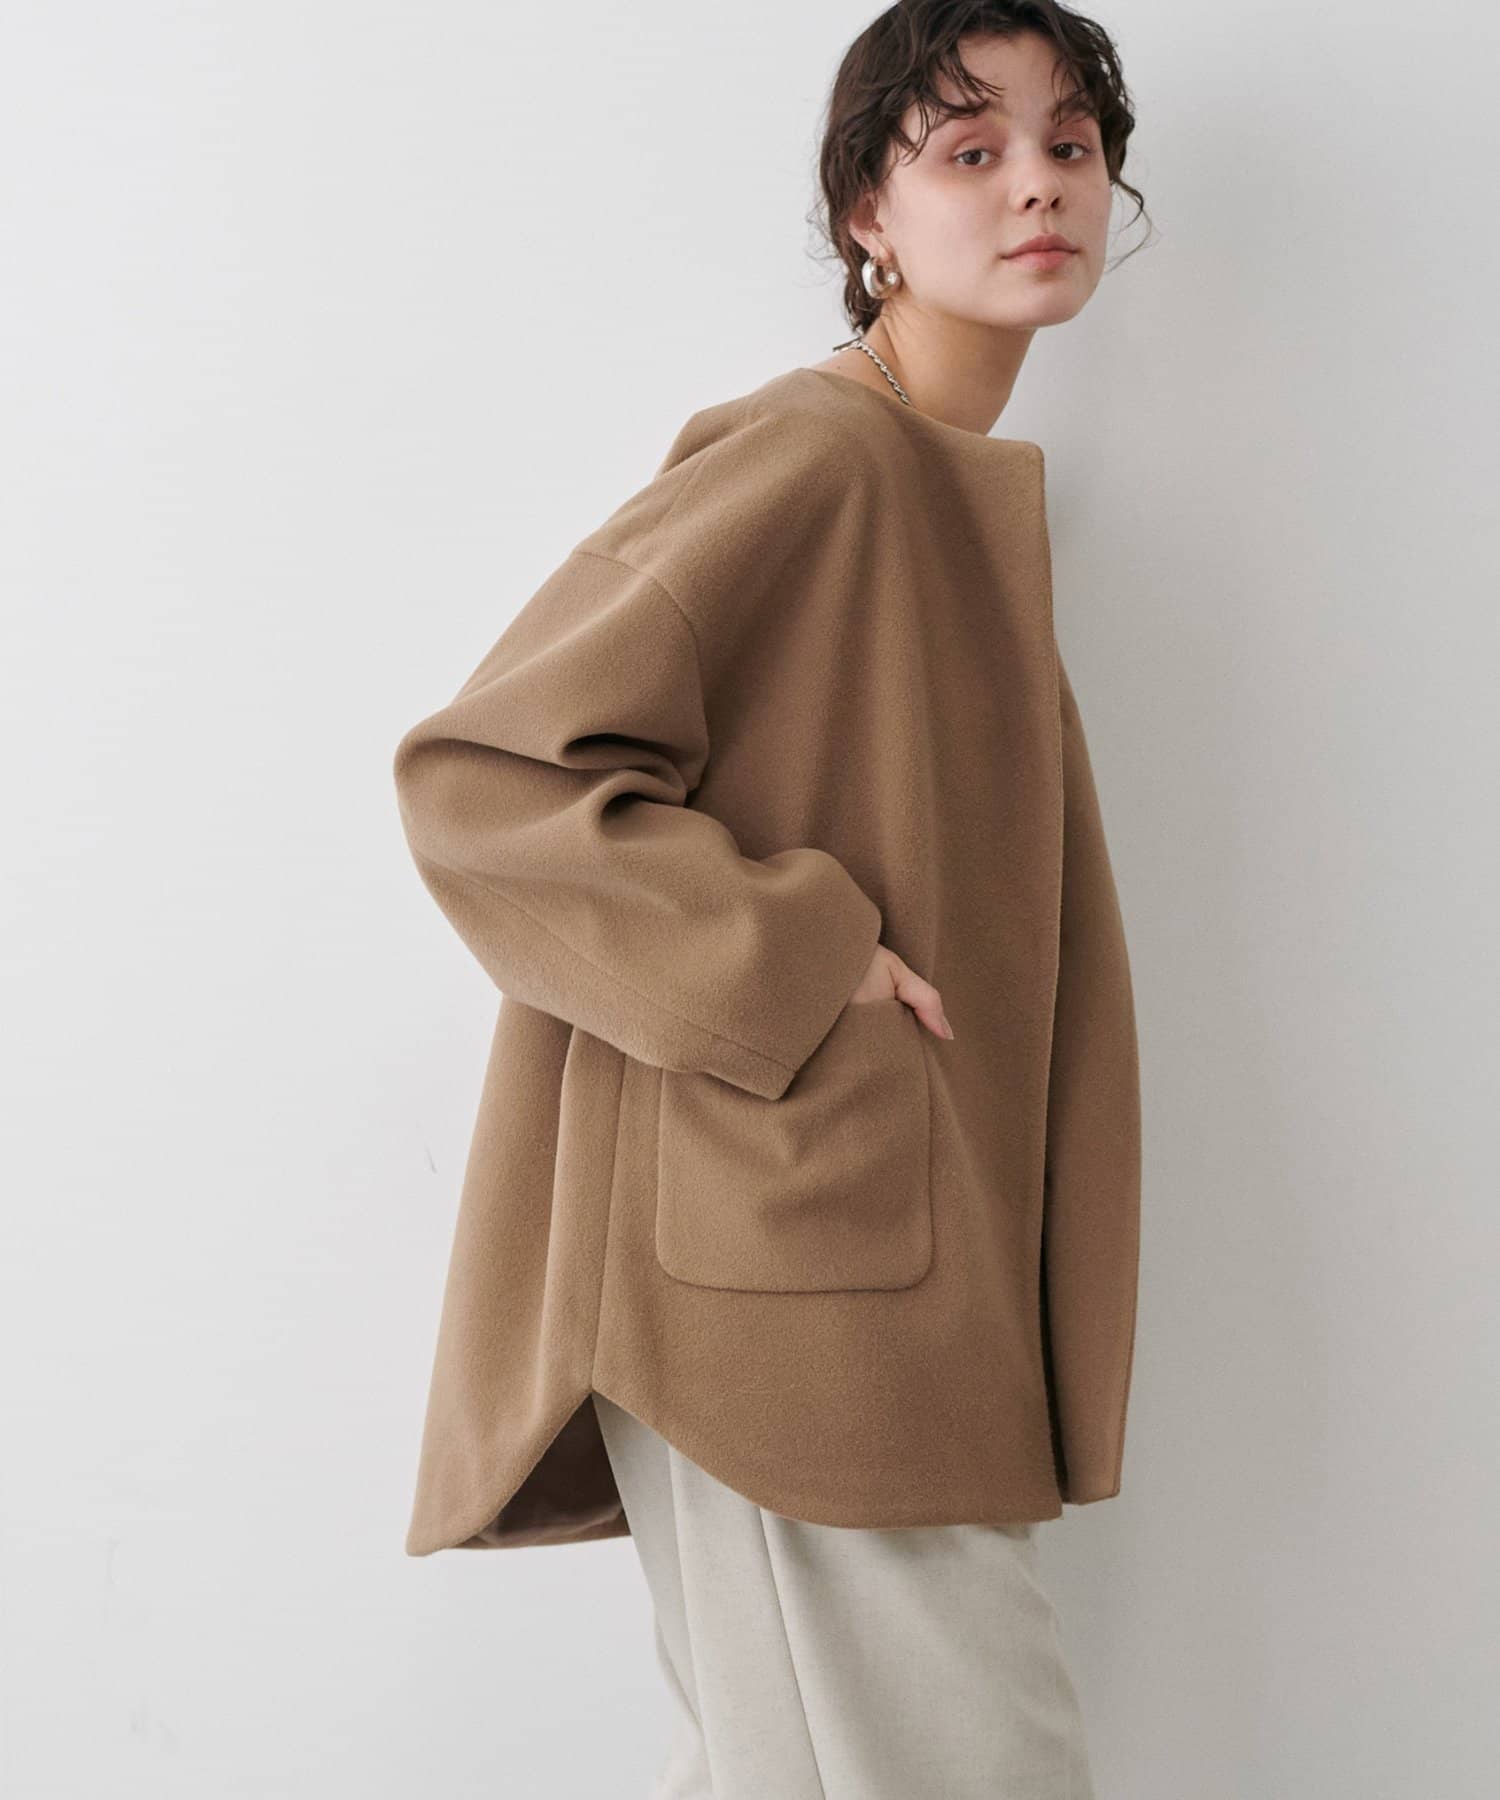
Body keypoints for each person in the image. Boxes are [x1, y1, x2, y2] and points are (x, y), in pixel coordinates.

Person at [390, 3, 1147, 1793]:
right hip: (788, 1272)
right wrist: (810, 959)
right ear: (868, 214)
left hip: (861, 1258)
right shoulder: (821, 457)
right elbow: (487, 779)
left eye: (1071, 146)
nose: (1037, 185)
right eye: (970, 151)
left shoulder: (942, 489)